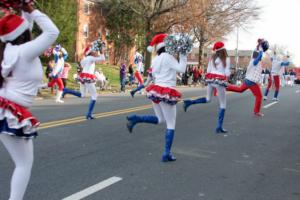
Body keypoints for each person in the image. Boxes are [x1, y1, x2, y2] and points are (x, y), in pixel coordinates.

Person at [0, 3, 59, 200]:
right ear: (24, 35)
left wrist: (24, 9)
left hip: (6, 107)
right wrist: (31, 9)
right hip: (9, 111)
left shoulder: (9, 48)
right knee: (24, 164)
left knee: (24, 163)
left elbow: (25, 26)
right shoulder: (25, 51)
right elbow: (52, 32)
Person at [126, 33, 187, 162]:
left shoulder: (156, 59)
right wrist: (183, 53)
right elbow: (182, 69)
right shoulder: (168, 57)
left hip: (156, 91)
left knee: (160, 119)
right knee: (170, 124)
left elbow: (153, 75)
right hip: (166, 91)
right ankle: (166, 153)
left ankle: (137, 119)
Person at [183, 41, 230, 133]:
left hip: (211, 79)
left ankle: (189, 102)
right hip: (219, 81)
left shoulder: (212, 58)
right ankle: (219, 127)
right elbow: (227, 72)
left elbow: (208, 70)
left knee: (208, 99)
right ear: (223, 49)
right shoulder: (226, 59)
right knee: (223, 104)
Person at [226, 39, 269, 117]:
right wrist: (261, 51)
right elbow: (258, 58)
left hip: (248, 80)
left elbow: (259, 57)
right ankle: (256, 112)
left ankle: (226, 86)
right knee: (259, 96)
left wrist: (260, 48)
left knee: (240, 90)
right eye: (259, 56)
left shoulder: (256, 61)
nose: (260, 57)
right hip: (251, 81)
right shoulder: (254, 61)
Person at [62, 45, 105, 119]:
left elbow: (82, 65)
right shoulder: (91, 58)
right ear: (90, 52)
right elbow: (102, 58)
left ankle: (66, 90)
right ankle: (89, 114)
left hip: (83, 77)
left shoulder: (85, 59)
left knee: (82, 95)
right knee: (94, 96)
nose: (95, 52)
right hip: (88, 78)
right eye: (94, 51)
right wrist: (101, 51)